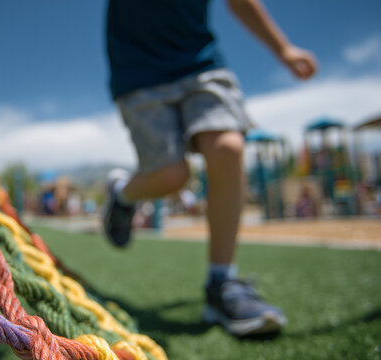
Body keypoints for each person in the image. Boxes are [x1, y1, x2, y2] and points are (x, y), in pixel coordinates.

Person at [102, 0, 317, 337]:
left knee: (228, 148)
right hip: (138, 73)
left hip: (199, 64)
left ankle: (222, 282)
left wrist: (283, 48)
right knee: (172, 175)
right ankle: (122, 195)